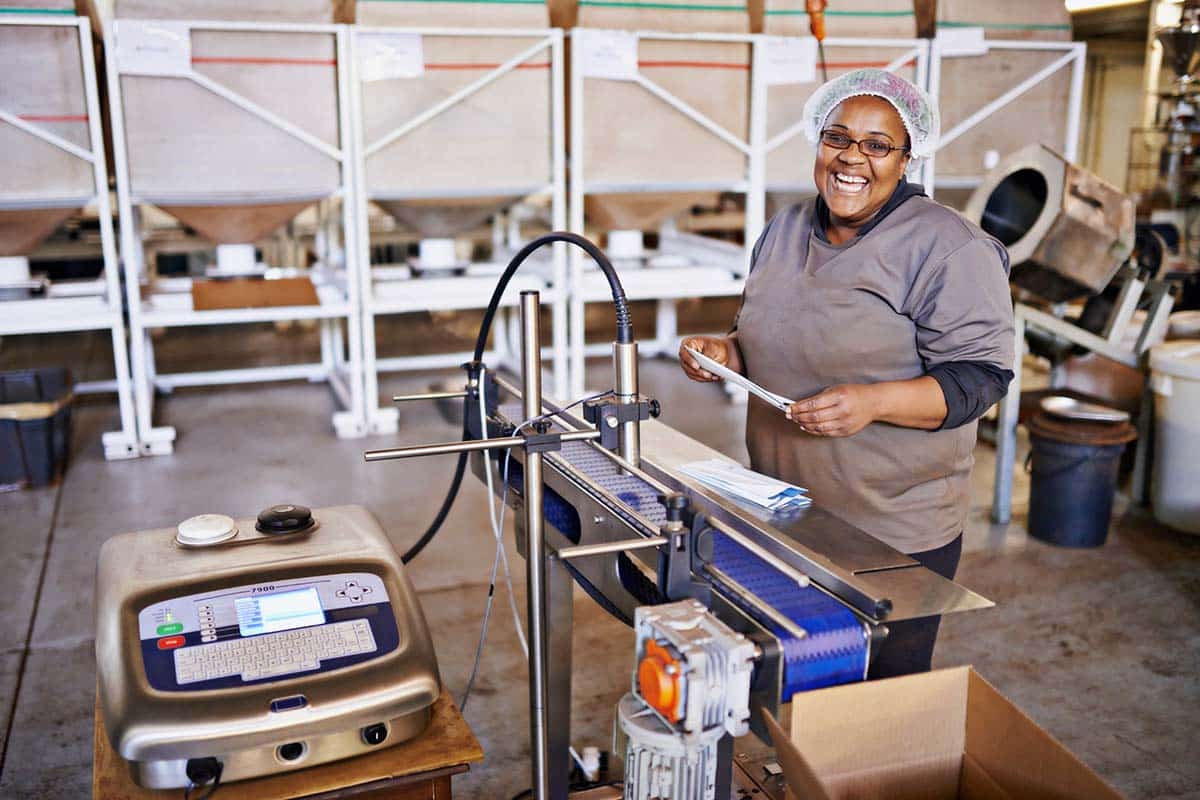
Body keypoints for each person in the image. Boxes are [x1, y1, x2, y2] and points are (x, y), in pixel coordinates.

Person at [678, 69, 1014, 679]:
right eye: (838, 138)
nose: (851, 158)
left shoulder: (949, 247)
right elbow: (773, 331)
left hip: (891, 531)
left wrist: (873, 402)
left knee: (876, 709)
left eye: (877, 145)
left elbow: (979, 380)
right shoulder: (784, 228)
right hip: (785, 510)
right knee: (799, 685)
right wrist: (728, 352)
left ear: (908, 156)